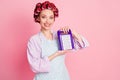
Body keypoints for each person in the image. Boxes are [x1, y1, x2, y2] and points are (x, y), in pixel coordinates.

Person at [27, 1, 89, 80]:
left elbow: (81, 45)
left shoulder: (60, 36)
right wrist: (56, 54)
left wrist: (73, 33)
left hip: (62, 77)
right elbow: (35, 66)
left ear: (54, 19)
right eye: (43, 17)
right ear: (38, 18)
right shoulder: (34, 40)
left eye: (51, 17)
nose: (47, 21)